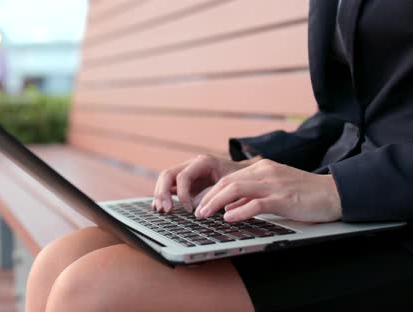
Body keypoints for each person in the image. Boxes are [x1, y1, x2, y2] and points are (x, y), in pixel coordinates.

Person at [25, 1, 413, 311]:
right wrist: (252, 165)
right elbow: (354, 113)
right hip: (343, 200)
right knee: (61, 259)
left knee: (95, 290)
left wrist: (338, 190)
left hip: (393, 213)